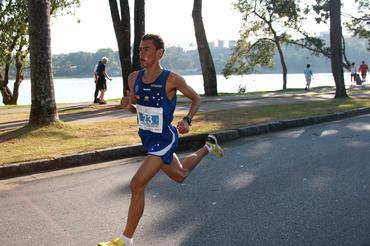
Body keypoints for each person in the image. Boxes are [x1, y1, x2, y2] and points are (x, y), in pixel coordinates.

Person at [98, 34, 224, 246]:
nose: (142, 53)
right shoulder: (133, 78)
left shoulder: (172, 79)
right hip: (148, 138)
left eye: (146, 49)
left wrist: (187, 120)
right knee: (180, 174)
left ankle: (125, 240)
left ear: (159, 53)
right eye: (140, 49)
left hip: (164, 138)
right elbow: (136, 107)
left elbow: (196, 99)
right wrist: (128, 106)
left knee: (137, 184)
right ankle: (208, 147)